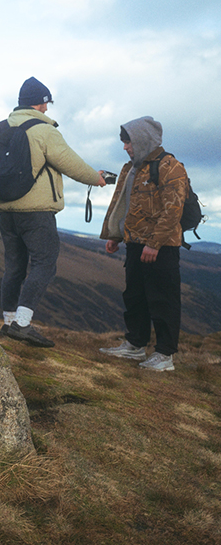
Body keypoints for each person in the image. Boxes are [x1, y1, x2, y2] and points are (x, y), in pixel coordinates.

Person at [0, 77, 106, 348]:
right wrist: (96, 179)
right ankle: (23, 324)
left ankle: (9, 323)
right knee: (45, 263)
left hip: (6, 212)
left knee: (14, 267)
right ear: (41, 102)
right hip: (36, 212)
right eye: (46, 104)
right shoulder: (44, 131)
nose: (47, 109)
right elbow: (71, 164)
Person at [99, 117, 188, 372]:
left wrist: (155, 243)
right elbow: (124, 205)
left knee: (163, 299)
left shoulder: (170, 166)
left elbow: (173, 210)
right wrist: (116, 235)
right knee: (135, 295)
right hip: (135, 242)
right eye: (124, 142)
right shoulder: (131, 168)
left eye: (128, 141)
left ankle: (165, 355)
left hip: (162, 246)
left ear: (142, 140)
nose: (125, 147)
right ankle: (135, 345)